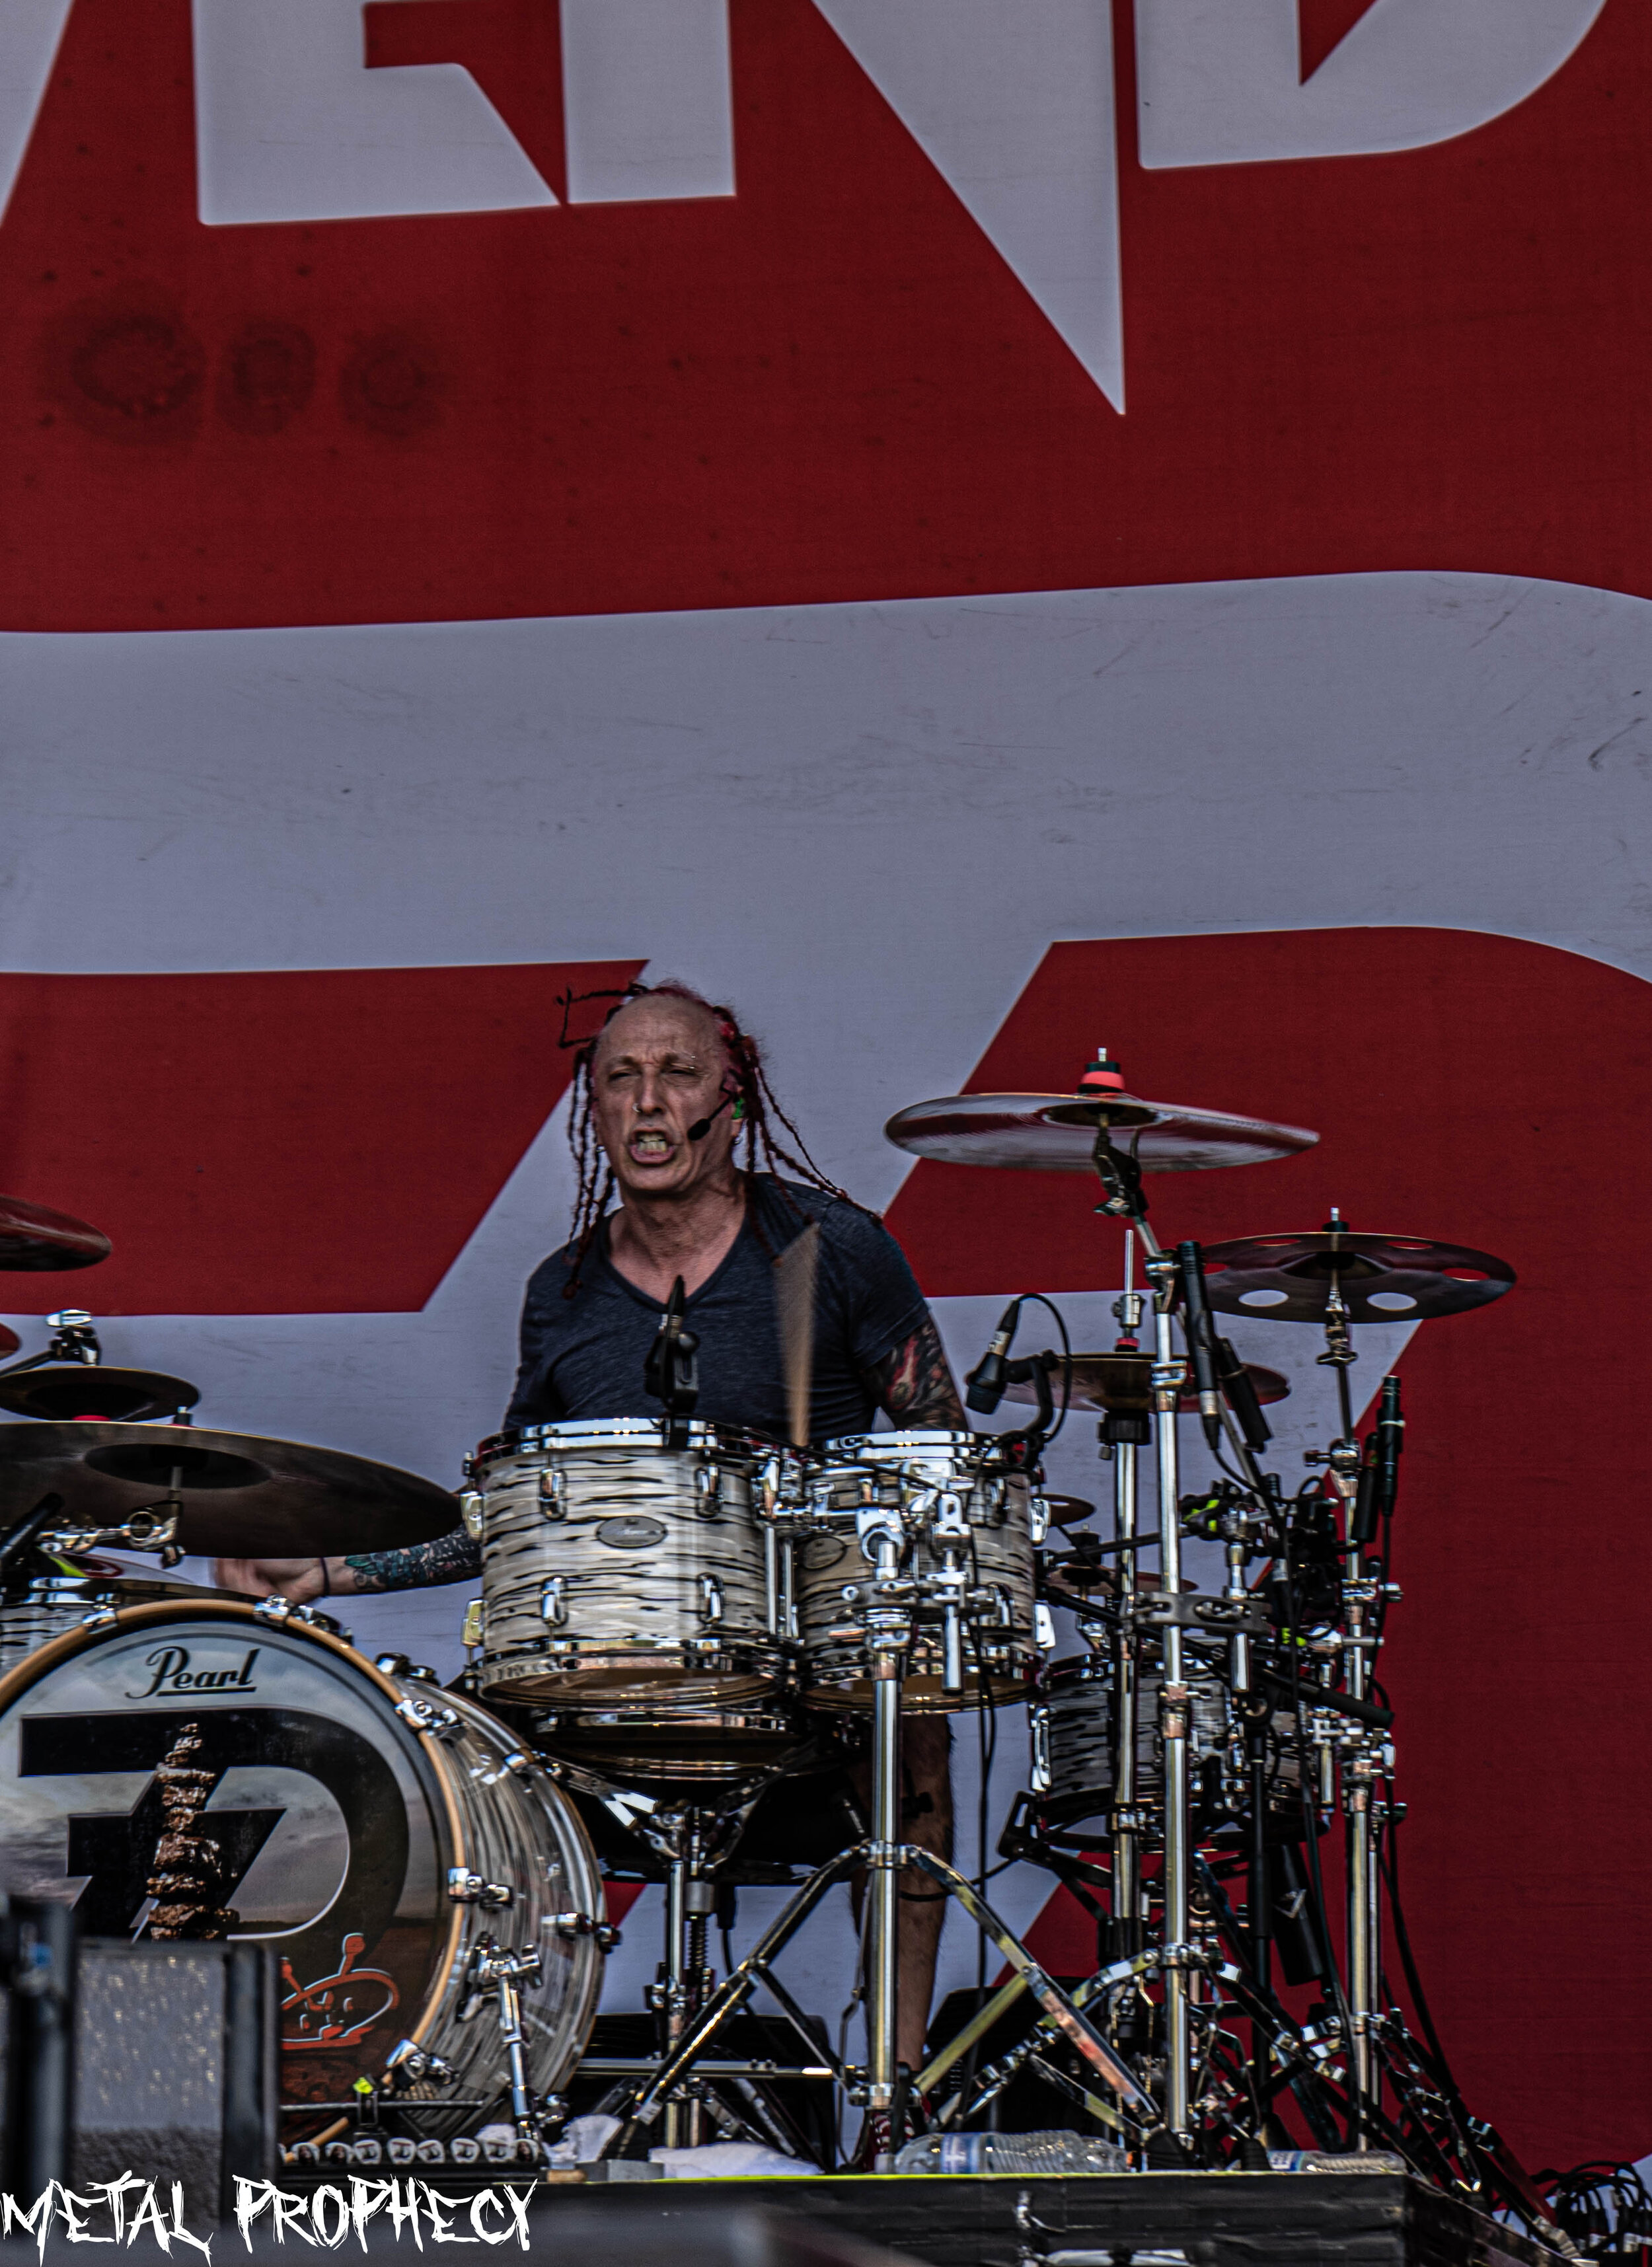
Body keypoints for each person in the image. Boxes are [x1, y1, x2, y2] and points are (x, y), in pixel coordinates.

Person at [217, 981, 966, 2097]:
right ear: (595, 1108)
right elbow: (522, 1514)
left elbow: (939, 1461)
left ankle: (891, 2094)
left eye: (677, 1075)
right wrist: (330, 1570)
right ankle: (498, 2088)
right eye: (621, 1078)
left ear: (733, 1098)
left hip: (802, 1661)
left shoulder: (836, 1248)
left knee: (914, 1730)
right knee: (457, 1754)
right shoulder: (562, 1293)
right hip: (609, 1676)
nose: (649, 1102)